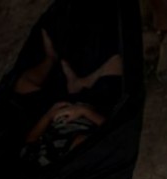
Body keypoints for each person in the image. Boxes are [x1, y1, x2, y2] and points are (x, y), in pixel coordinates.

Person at [14, 28, 123, 166]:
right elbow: (115, 132)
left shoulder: (50, 157)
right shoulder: (98, 152)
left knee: (22, 85)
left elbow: (30, 142)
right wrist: (84, 111)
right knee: (116, 61)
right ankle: (80, 84)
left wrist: (49, 115)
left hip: (56, 112)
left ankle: (51, 59)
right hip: (92, 105)